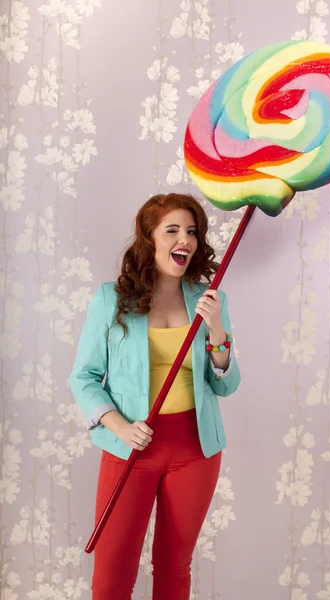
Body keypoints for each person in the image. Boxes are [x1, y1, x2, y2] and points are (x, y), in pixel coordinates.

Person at [68, 192, 241, 600]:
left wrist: (217, 330)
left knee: (174, 567)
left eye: (193, 231)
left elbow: (226, 384)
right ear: (150, 238)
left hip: (196, 449)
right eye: (173, 230)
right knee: (113, 569)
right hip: (131, 447)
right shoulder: (112, 299)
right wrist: (121, 427)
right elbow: (84, 378)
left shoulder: (209, 300)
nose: (185, 239)